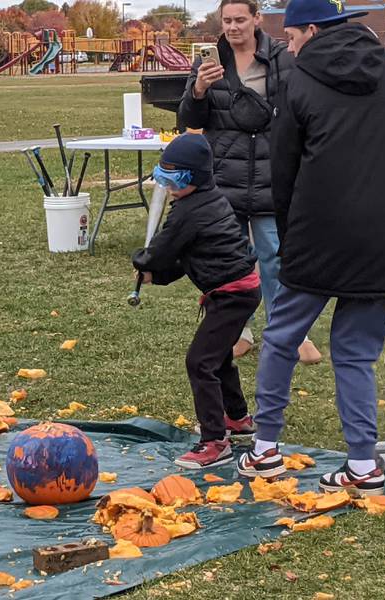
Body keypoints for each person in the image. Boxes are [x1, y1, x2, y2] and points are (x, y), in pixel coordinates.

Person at [236, 0, 385, 495]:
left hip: (319, 235)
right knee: (355, 354)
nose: (287, 46)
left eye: (290, 37)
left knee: (282, 337)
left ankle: (264, 450)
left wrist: (290, 234)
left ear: (311, 30)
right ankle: (363, 466)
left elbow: (281, 170)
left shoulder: (298, 82)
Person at [178, 0, 322, 365]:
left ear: (257, 19)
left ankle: (290, 333)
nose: (233, 27)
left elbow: (302, 111)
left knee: (275, 257)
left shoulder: (283, 59)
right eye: (226, 20)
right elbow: (188, 118)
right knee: (230, 262)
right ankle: (237, 332)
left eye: (240, 19)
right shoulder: (210, 63)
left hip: (272, 173)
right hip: (224, 174)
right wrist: (197, 89)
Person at [133, 134, 261, 469]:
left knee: (199, 362)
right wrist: (156, 274)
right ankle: (238, 419)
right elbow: (186, 259)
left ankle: (215, 441)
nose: (170, 187)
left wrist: (143, 262)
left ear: (196, 178)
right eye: (164, 178)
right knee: (217, 358)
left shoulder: (190, 212)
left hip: (232, 296)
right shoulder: (204, 201)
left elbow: (161, 251)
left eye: (176, 179)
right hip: (236, 292)